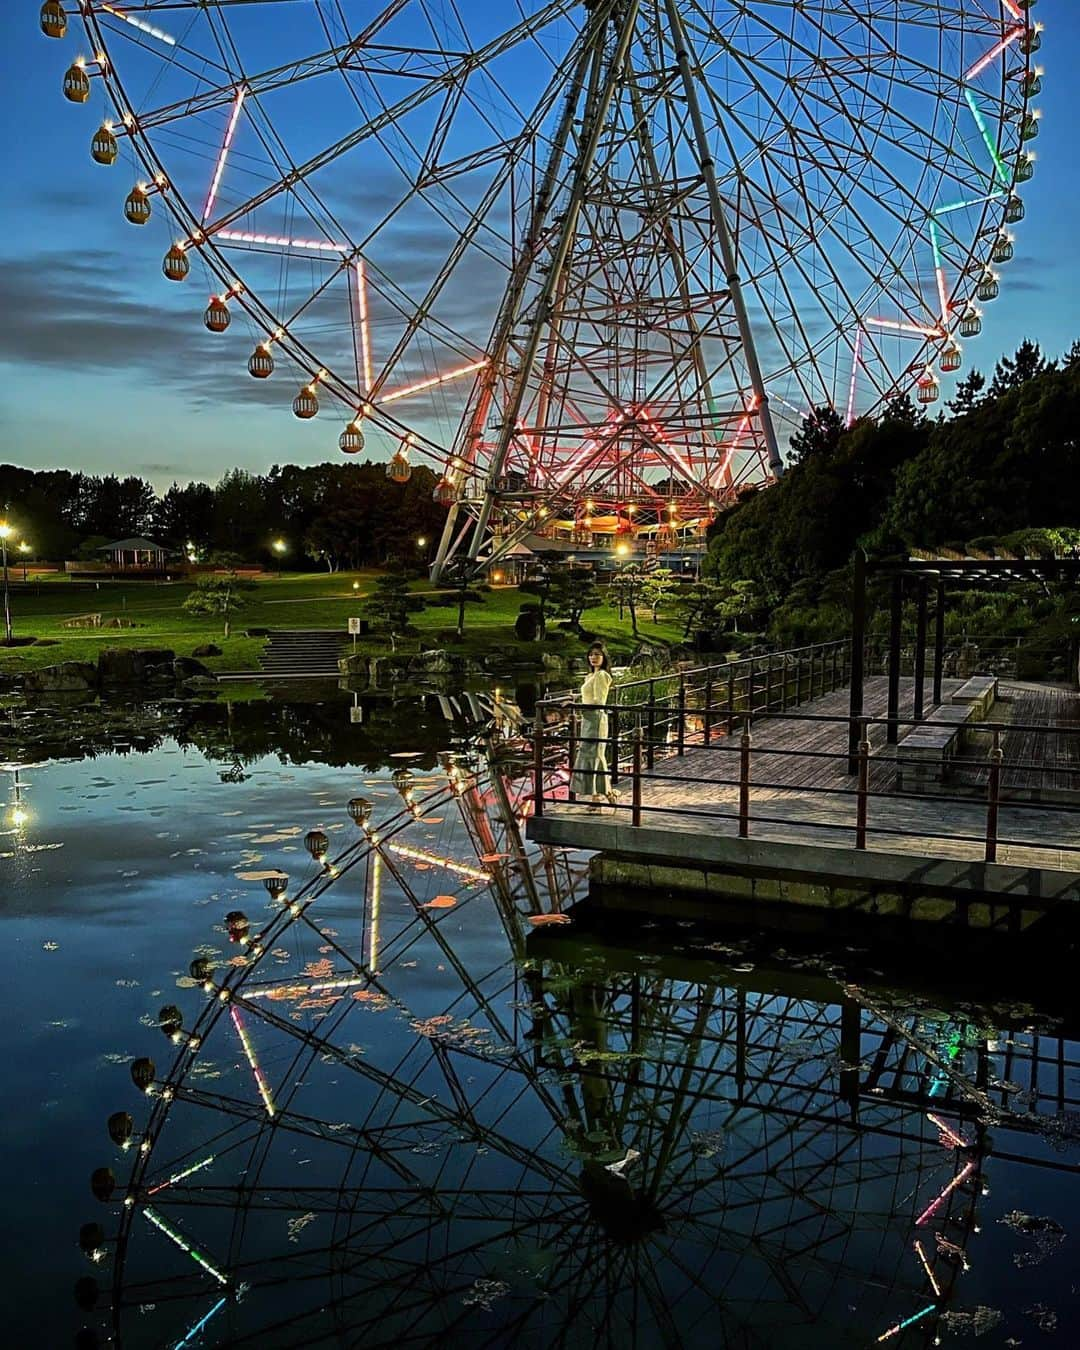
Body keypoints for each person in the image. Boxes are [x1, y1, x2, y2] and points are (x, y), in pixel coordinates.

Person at [571, 642, 618, 811]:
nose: (593, 657)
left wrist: (577, 706)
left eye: (597, 654)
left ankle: (598, 797)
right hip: (587, 719)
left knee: (596, 756)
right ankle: (605, 793)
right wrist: (573, 699)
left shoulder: (602, 676)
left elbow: (599, 701)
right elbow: (587, 696)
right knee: (589, 755)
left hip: (596, 719)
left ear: (604, 657)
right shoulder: (590, 676)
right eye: (591, 654)